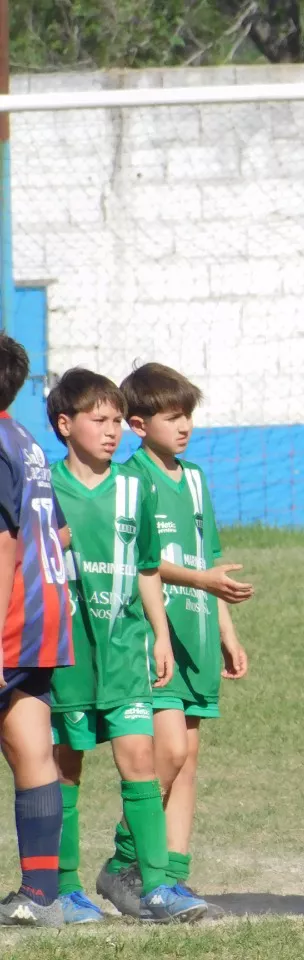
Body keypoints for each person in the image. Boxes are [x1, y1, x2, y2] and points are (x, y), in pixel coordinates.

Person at [46, 368, 207, 924]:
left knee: (139, 760)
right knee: (65, 767)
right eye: (99, 420)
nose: (112, 431)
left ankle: (155, 886)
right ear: (65, 425)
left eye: (118, 420)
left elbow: (145, 569)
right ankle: (63, 888)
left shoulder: (134, 488)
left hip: (124, 649)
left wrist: (161, 634)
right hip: (67, 653)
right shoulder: (46, 488)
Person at [102, 362, 250, 910]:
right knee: (163, 749)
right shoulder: (130, 480)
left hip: (197, 633)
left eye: (188, 414)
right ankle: (125, 863)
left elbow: (209, 557)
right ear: (138, 425)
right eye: (172, 416)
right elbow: (142, 562)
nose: (185, 425)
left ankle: (173, 873)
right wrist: (200, 580)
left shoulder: (194, 479)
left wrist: (227, 630)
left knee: (186, 754)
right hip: (153, 634)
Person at [0, 335, 74, 927]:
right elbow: (60, 534)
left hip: (9, 620)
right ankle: (40, 891)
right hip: (43, 619)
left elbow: (2, 546)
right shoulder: (23, 441)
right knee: (30, 746)